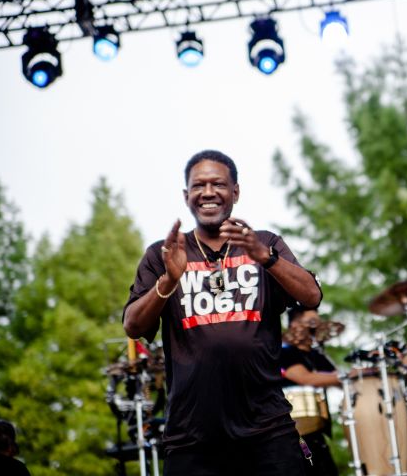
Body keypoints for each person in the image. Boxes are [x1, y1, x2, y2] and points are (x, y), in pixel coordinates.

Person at [123, 150, 323, 476]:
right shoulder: (165, 253)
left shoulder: (264, 242)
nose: (208, 192)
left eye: (218, 183)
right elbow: (132, 326)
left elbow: (311, 296)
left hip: (267, 428)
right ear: (187, 196)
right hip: (192, 436)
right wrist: (169, 280)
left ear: (235, 192)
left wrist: (265, 257)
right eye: (198, 185)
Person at [280, 306, 340, 476]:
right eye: (311, 322)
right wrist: (345, 376)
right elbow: (306, 378)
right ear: (294, 324)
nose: (316, 327)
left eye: (318, 322)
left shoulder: (317, 354)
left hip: (316, 429)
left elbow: (335, 377)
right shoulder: (284, 352)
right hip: (291, 430)